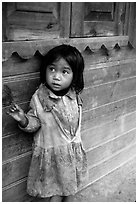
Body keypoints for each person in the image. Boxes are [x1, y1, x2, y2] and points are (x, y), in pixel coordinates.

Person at [7, 44, 88, 202]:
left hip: (72, 153)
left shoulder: (74, 96)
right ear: (44, 70)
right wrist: (23, 119)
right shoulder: (39, 98)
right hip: (52, 156)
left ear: (75, 75)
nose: (56, 76)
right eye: (52, 69)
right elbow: (35, 123)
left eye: (64, 71)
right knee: (53, 193)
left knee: (71, 190)